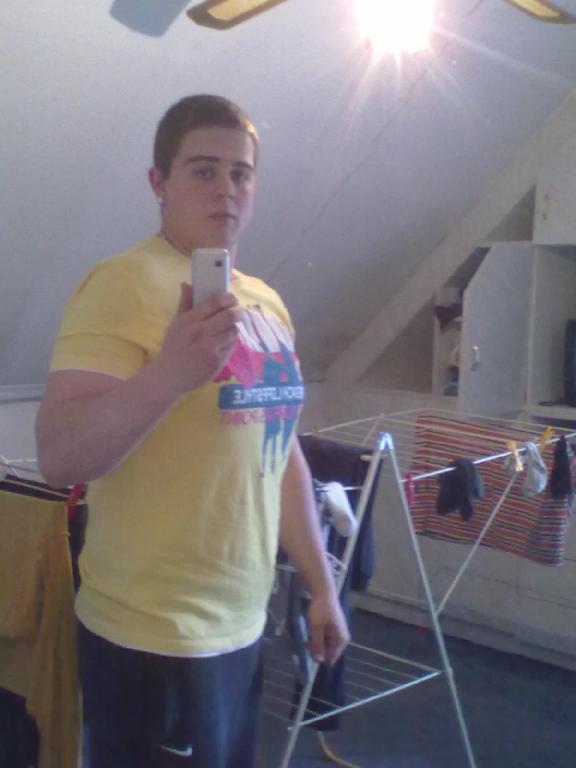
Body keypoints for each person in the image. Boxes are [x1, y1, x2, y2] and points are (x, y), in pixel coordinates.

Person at [35, 95, 349, 768]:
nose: (226, 189)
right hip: (150, 635)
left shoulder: (265, 302)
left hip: (242, 626)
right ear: (159, 182)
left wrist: (322, 586)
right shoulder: (120, 284)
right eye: (204, 170)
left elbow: (280, 453)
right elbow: (59, 453)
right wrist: (170, 374)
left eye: (241, 173)